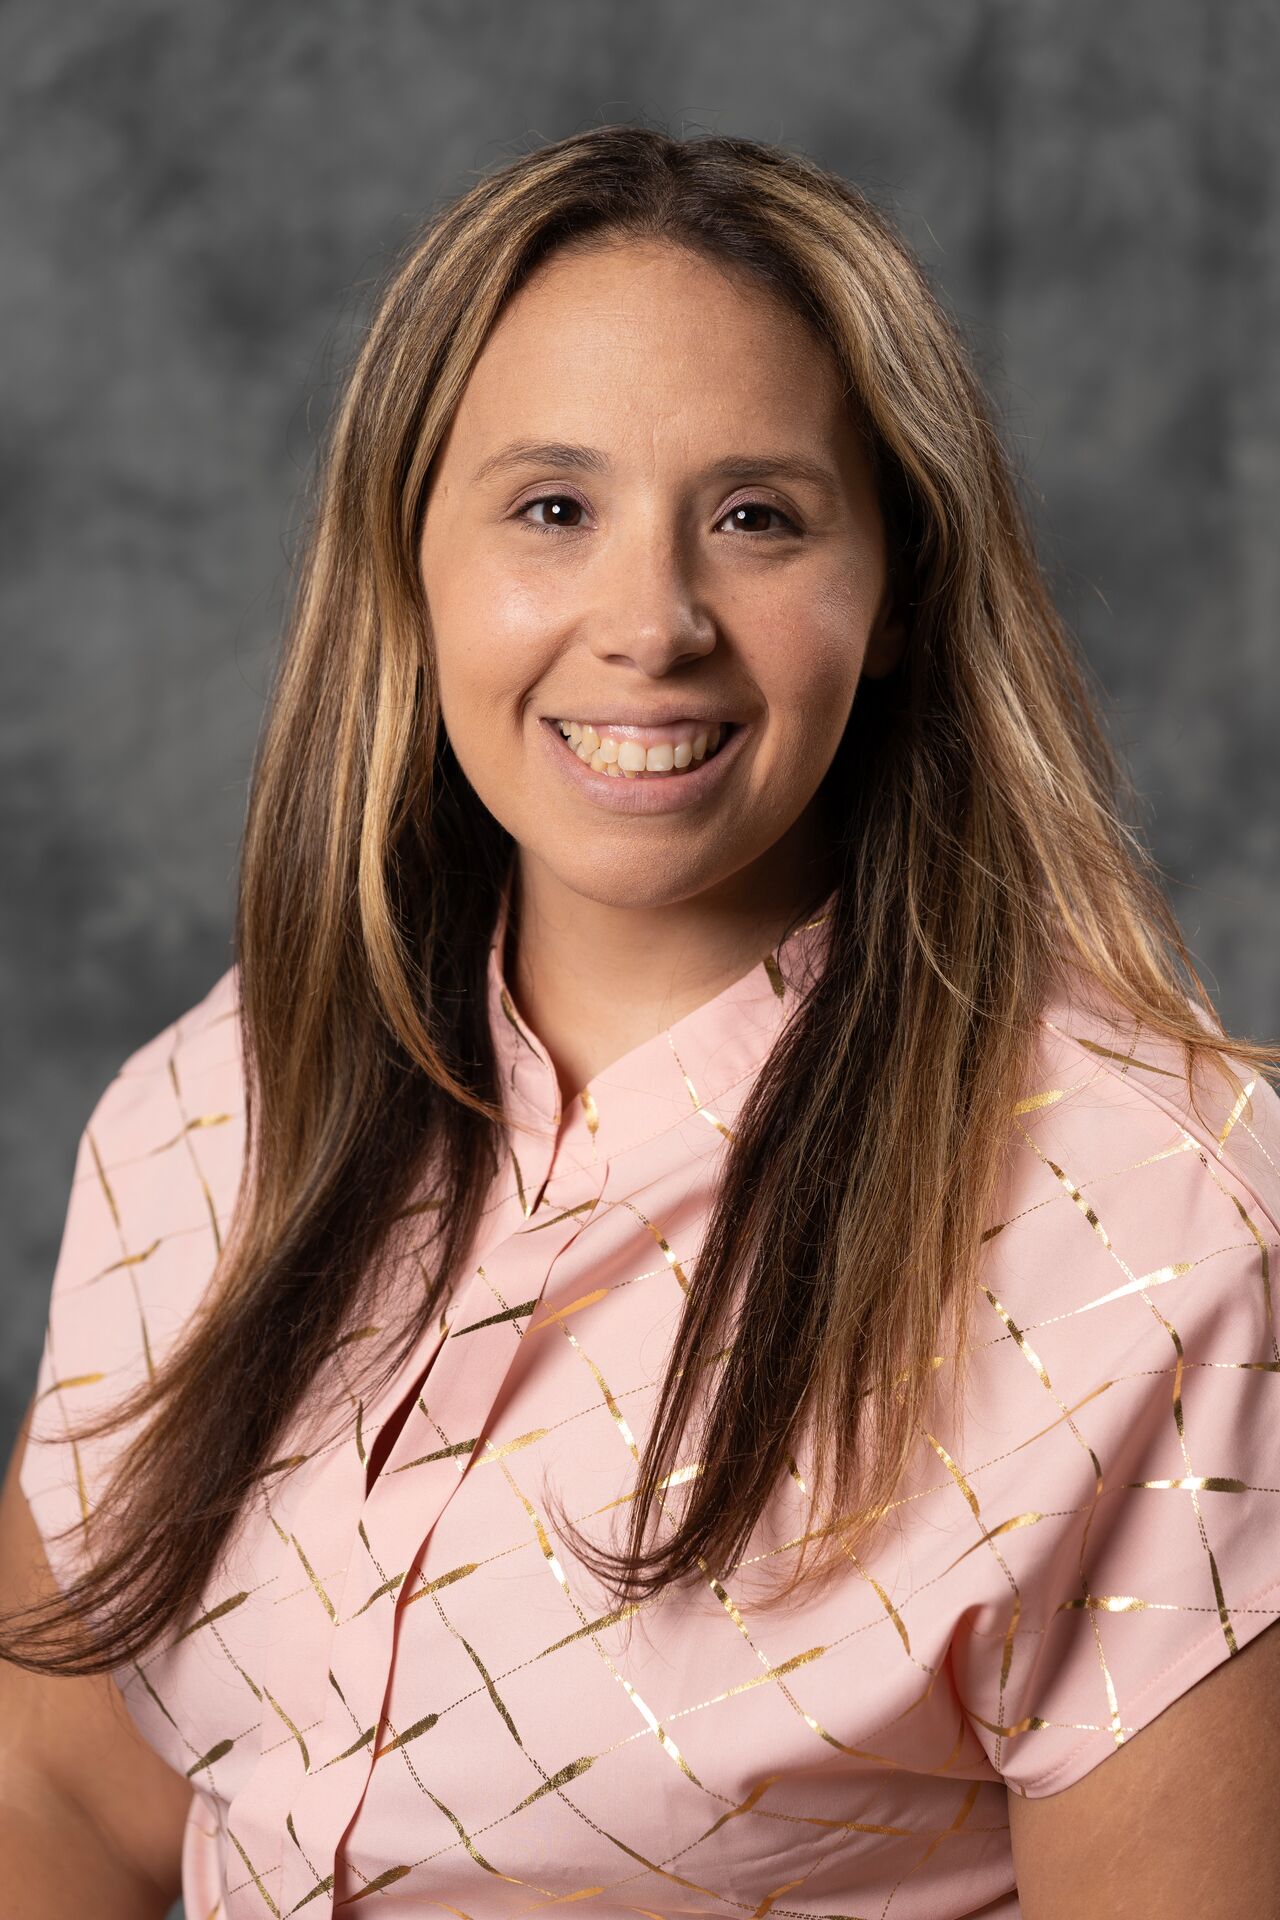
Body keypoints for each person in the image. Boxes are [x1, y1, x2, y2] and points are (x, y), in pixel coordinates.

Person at [2, 125, 1278, 1920]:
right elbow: (62, 1798)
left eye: (757, 518)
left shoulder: (1157, 1219)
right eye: (552, 509)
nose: (653, 623)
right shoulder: (213, 1106)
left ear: (896, 585)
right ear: (411, 558)